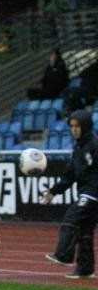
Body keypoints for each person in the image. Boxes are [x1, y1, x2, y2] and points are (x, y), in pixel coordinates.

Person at [42, 109, 98, 280]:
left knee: (72, 217)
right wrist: (53, 191)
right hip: (87, 193)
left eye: (77, 126)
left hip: (92, 193)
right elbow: (69, 176)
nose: (74, 130)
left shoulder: (95, 145)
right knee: (85, 231)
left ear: (86, 126)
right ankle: (85, 269)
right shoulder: (78, 149)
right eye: (72, 126)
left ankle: (64, 255)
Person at [62, 48, 98, 114]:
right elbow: (82, 74)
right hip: (85, 87)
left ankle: (78, 110)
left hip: (92, 89)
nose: (95, 55)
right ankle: (70, 109)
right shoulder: (93, 65)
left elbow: (85, 74)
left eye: (97, 54)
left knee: (74, 94)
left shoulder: (94, 66)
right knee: (66, 91)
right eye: (96, 53)